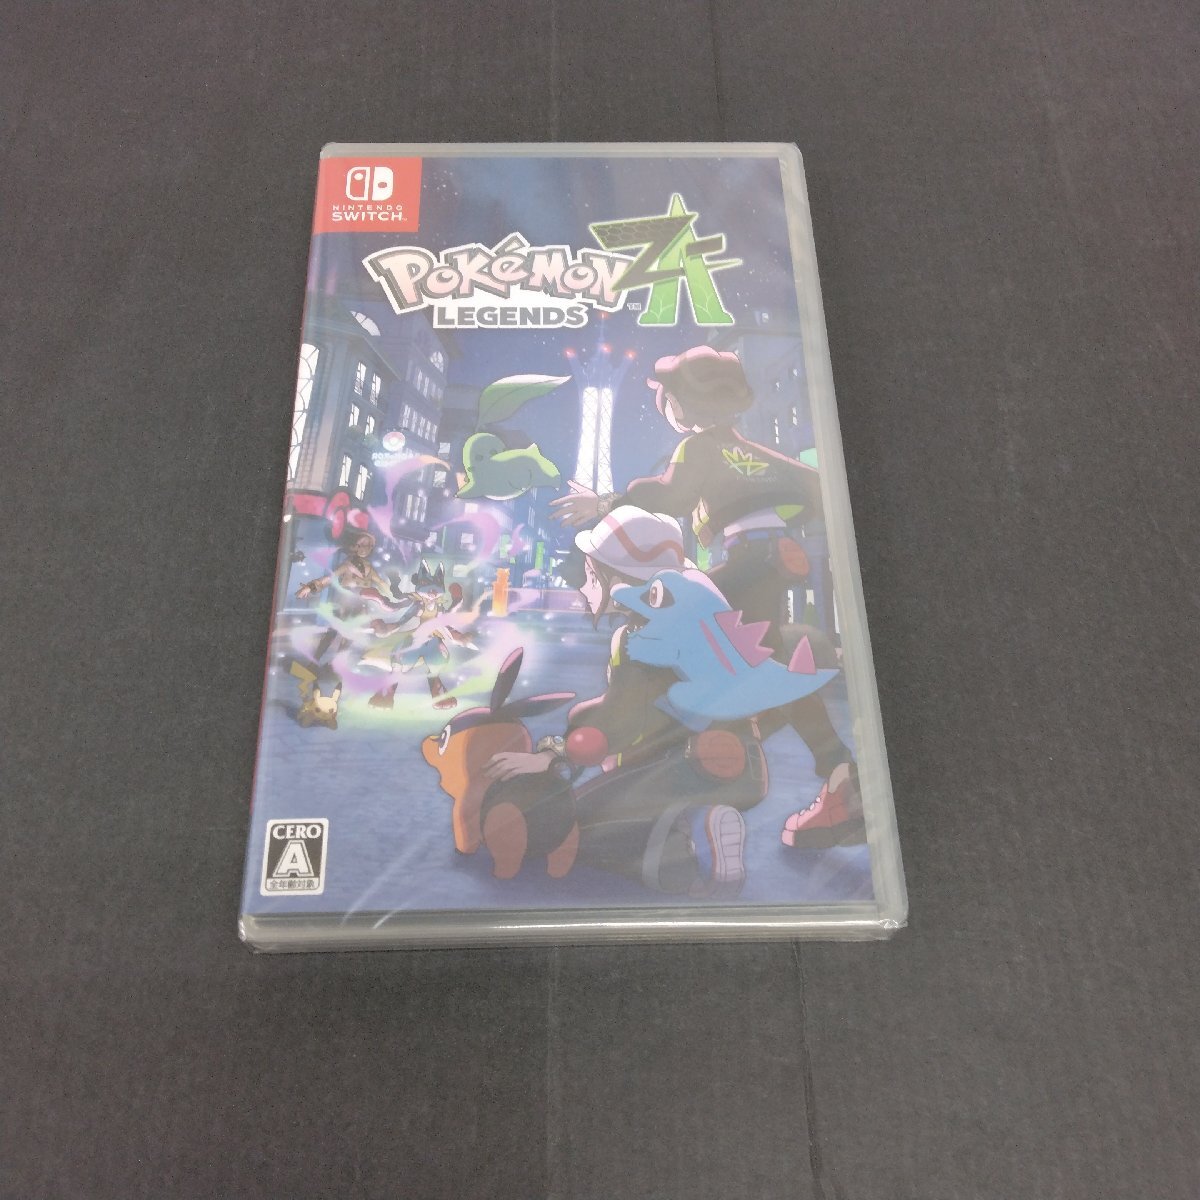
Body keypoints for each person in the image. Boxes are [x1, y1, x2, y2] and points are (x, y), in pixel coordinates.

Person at [551, 346, 863, 846]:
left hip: (747, 558)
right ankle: (839, 777)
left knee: (674, 618)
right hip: (768, 557)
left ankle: (669, 739)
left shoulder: (697, 447)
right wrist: (784, 528)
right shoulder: (753, 450)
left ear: (684, 401)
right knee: (766, 657)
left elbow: (670, 495)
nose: (668, 409)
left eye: (668, 399)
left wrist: (606, 502)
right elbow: (817, 486)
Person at [484, 506, 764, 897]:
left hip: (688, 767)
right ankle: (695, 816)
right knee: (599, 741)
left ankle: (693, 833)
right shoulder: (698, 618)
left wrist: (553, 754)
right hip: (746, 768)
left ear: (618, 580)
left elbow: (621, 721)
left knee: (576, 828)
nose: (585, 588)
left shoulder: (640, 639)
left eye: (591, 576)